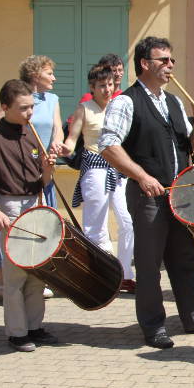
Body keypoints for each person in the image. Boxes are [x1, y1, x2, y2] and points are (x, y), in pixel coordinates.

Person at [99, 36, 194, 348]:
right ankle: (153, 325)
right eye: (164, 60)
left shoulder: (173, 102)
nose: (171, 66)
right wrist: (142, 176)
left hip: (179, 195)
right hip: (147, 196)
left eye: (172, 60)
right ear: (145, 64)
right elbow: (108, 145)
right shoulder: (126, 101)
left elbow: (191, 147)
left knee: (185, 258)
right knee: (149, 263)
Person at [0, 55, 64, 299]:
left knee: (40, 234)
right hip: (12, 175)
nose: (54, 77)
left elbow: (57, 129)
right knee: (17, 237)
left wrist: (57, 145)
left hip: (38, 170)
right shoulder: (15, 99)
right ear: (35, 75)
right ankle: (8, 284)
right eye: (49, 73)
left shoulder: (52, 100)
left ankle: (27, 283)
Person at [0, 79, 59, 351]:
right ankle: (17, 333)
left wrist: (47, 169)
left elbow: (42, 181)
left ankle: (34, 327)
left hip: (35, 202)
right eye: (23, 108)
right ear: (5, 107)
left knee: (37, 273)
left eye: (31, 107)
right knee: (15, 274)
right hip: (9, 207)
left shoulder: (31, 133)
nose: (29, 113)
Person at [62, 65, 135, 293]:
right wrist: (63, 149)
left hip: (119, 169)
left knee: (128, 222)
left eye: (110, 85)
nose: (107, 89)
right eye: (102, 86)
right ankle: (101, 276)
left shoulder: (119, 106)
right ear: (92, 88)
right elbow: (72, 140)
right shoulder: (84, 109)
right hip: (94, 167)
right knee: (96, 226)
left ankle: (125, 274)